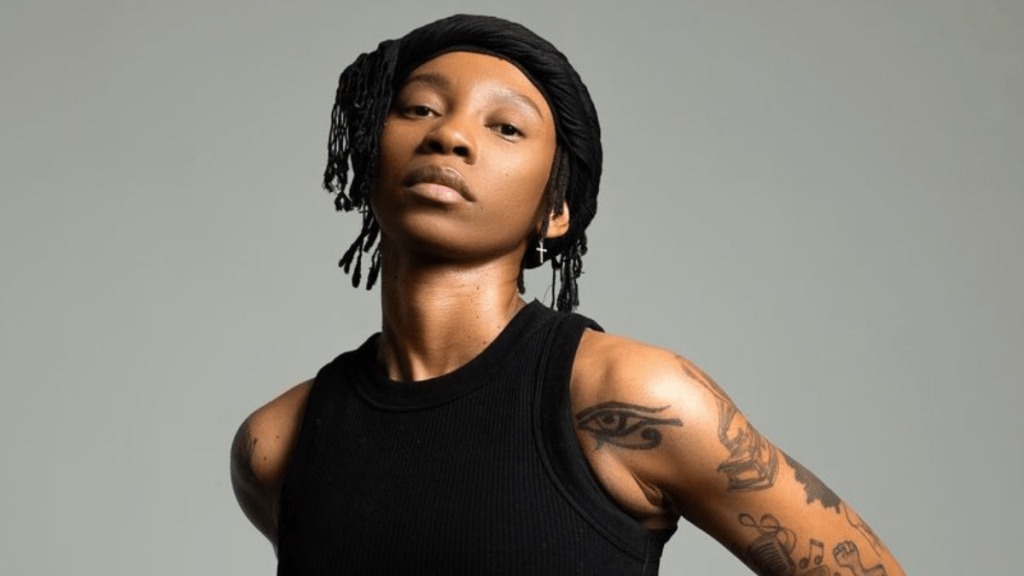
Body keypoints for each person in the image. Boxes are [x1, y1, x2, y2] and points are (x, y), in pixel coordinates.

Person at [230, 14, 906, 576]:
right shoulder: (277, 443)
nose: (449, 135)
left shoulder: (630, 398)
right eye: (419, 109)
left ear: (556, 210)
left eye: (505, 127)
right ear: (369, 156)